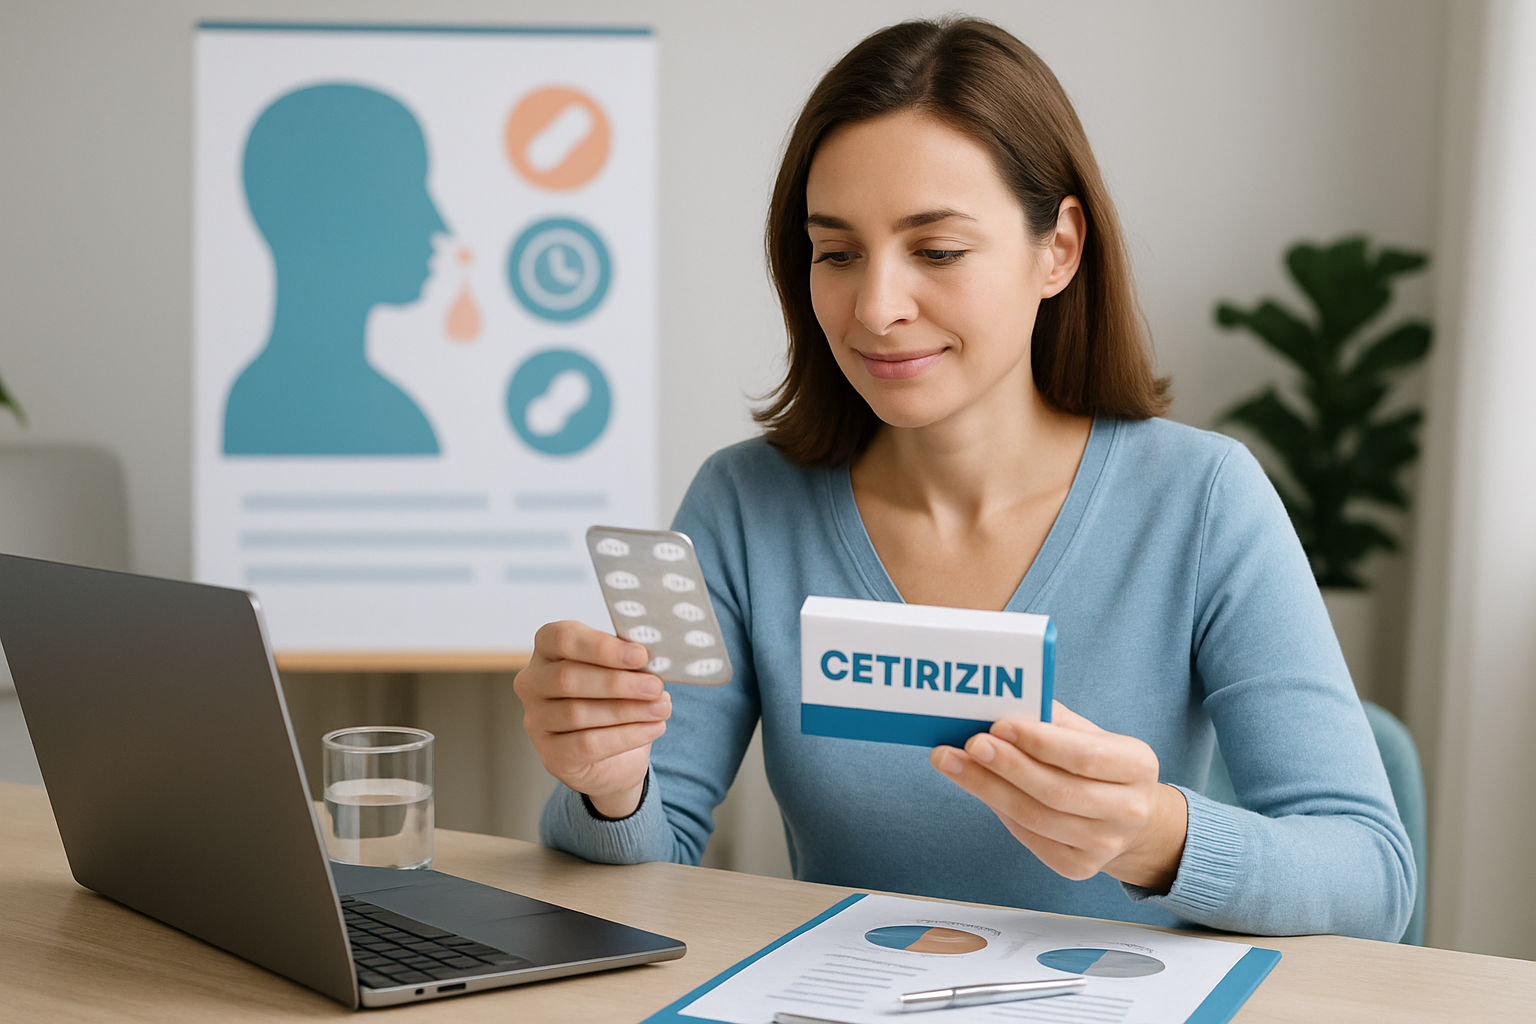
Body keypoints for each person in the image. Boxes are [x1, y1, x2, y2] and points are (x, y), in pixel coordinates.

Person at [515, 16, 1414, 940]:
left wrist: (1153, 836)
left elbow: (1373, 878)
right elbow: (644, 867)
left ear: (1059, 249)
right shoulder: (746, 505)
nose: (876, 308)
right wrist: (610, 787)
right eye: (837, 253)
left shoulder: (1203, 500)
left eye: (938, 251)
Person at [225, 83, 444, 456]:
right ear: (328, 213)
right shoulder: (391, 422)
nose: (438, 223)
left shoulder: (391, 417)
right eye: (405, 191)